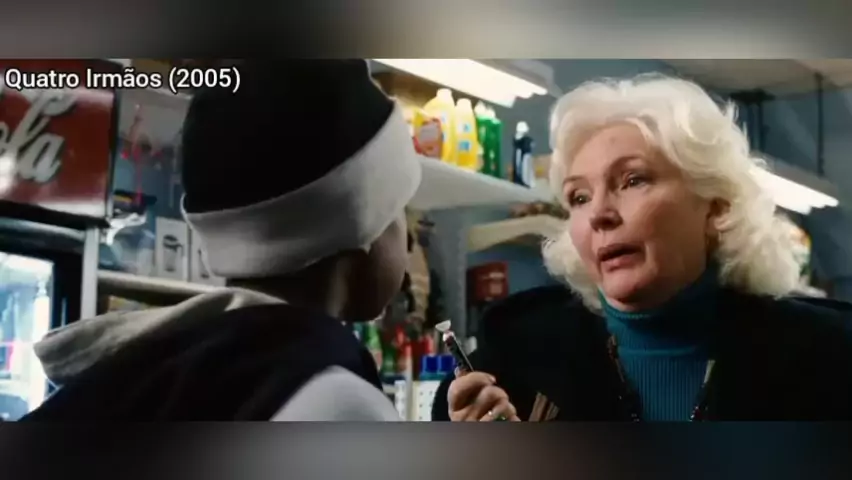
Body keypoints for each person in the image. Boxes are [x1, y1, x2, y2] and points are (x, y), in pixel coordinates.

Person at [434, 74, 852, 422]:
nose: (599, 214)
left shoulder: (828, 358)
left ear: (715, 206)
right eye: (579, 197)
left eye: (633, 180)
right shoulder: (507, 367)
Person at [23, 60, 421, 421]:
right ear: (363, 223)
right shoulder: (339, 406)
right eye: (401, 209)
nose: (409, 244)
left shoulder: (145, 377)